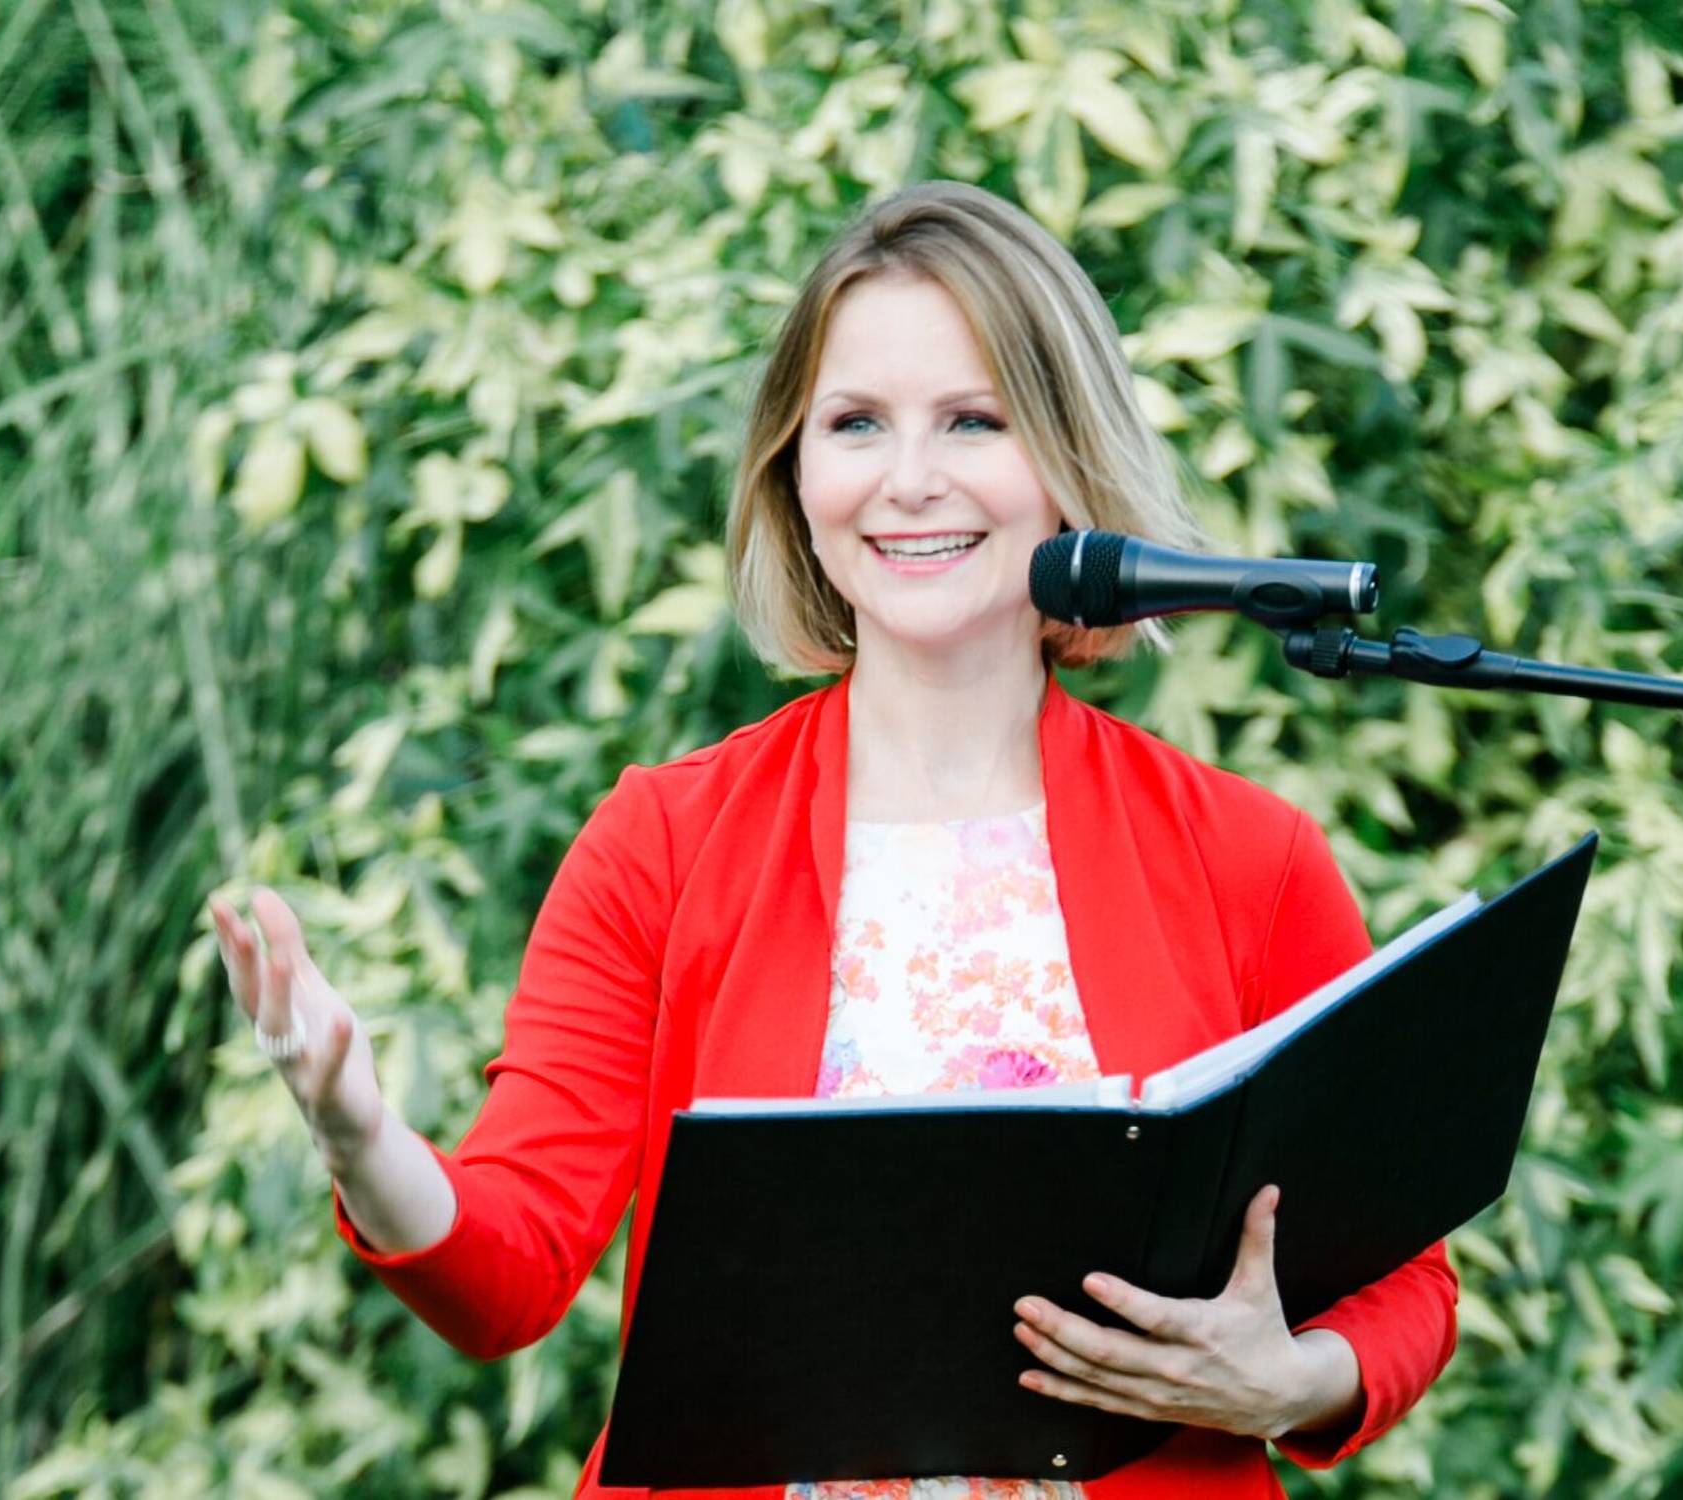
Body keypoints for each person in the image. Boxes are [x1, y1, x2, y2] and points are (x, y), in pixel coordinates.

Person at [208, 180, 1456, 1499]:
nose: (908, 481)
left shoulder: (1248, 858)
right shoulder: (661, 844)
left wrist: (1289, 1380)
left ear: (1067, 463)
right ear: (794, 474)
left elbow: (1403, 1281)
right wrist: (359, 1134)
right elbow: (505, 1270)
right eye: (855, 423)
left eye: (974, 420)